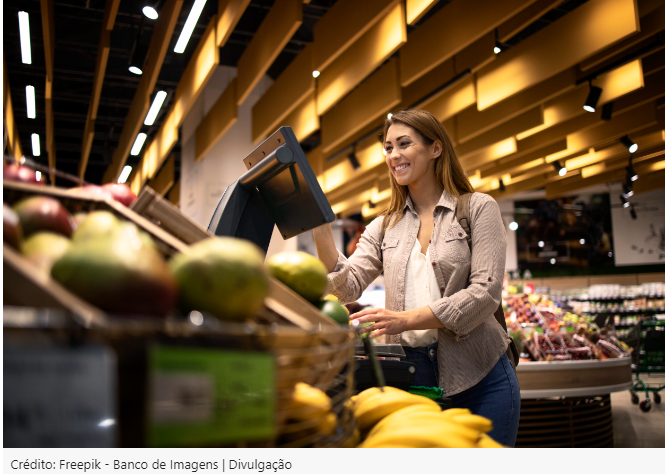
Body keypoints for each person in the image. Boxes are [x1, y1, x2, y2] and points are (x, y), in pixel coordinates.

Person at [312, 109, 521, 447]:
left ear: (435, 148)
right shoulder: (385, 225)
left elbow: (485, 292)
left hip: (482, 375)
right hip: (411, 376)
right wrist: (320, 229)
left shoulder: (477, 208)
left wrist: (406, 320)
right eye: (388, 147)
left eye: (404, 144)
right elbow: (346, 286)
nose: (393, 155)